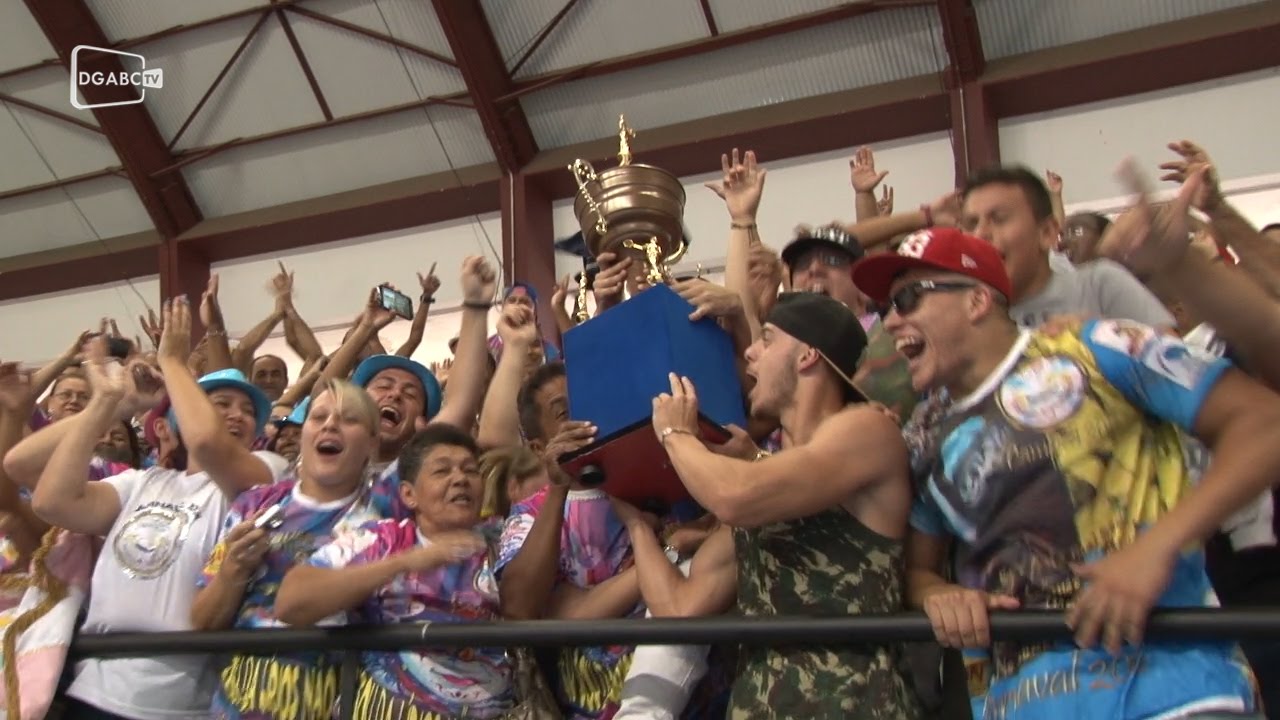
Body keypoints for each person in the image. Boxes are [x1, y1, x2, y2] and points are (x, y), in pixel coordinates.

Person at [851, 226, 1279, 719]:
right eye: (888, 307)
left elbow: (1264, 423)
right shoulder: (923, 432)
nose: (893, 320)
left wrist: (1157, 546)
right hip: (1023, 704)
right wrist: (940, 595)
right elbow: (918, 569)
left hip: (1172, 691)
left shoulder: (1098, 347)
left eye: (909, 298)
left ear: (976, 302)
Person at [646, 291, 922, 719]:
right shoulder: (764, 475)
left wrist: (676, 436)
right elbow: (680, 608)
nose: (751, 353)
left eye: (768, 338)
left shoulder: (866, 429)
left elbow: (734, 497)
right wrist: (629, 514)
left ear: (808, 355)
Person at [33, 303, 287, 720]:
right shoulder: (143, 481)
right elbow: (52, 501)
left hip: (179, 703)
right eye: (220, 403)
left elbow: (207, 443)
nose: (238, 415)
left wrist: (171, 360)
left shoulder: (267, 476)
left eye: (248, 412)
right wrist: (110, 404)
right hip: (93, 689)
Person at [276, 425, 514, 718]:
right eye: (442, 471)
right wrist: (404, 563)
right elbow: (291, 602)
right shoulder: (382, 541)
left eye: (470, 470)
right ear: (409, 494)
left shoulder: (503, 540)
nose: (460, 479)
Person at [191, 379, 382, 719]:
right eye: (318, 416)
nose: (330, 424)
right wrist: (233, 572)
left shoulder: (386, 518)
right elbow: (202, 623)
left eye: (348, 419)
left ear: (371, 444)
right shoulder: (254, 505)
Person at [960, 166, 1173, 329]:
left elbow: (1176, 365)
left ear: (1046, 233)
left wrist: (1104, 338)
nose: (980, 234)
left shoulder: (1098, 286)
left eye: (999, 219)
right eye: (971, 224)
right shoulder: (967, 319)